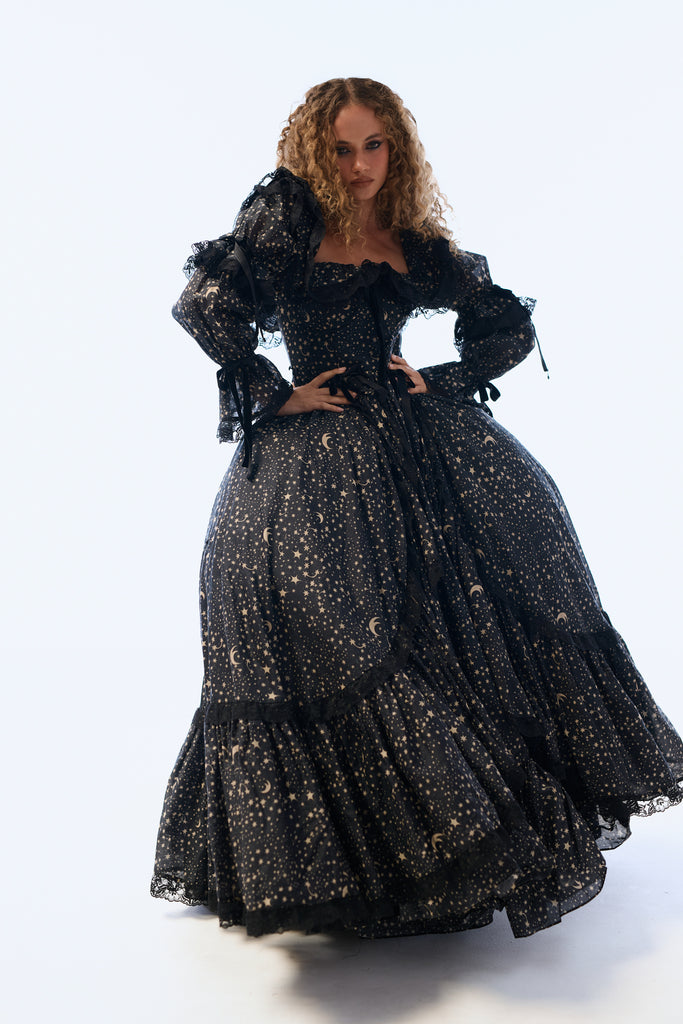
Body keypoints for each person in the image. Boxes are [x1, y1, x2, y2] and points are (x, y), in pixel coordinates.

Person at [151, 78, 683, 940]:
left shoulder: (412, 241)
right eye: (340, 148)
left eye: (374, 146)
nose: (358, 165)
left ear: (395, 150)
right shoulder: (285, 228)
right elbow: (203, 305)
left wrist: (442, 378)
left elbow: (503, 324)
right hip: (316, 456)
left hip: (416, 445)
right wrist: (273, 392)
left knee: (505, 575)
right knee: (330, 624)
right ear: (312, 153)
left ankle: (473, 835)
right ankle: (354, 858)